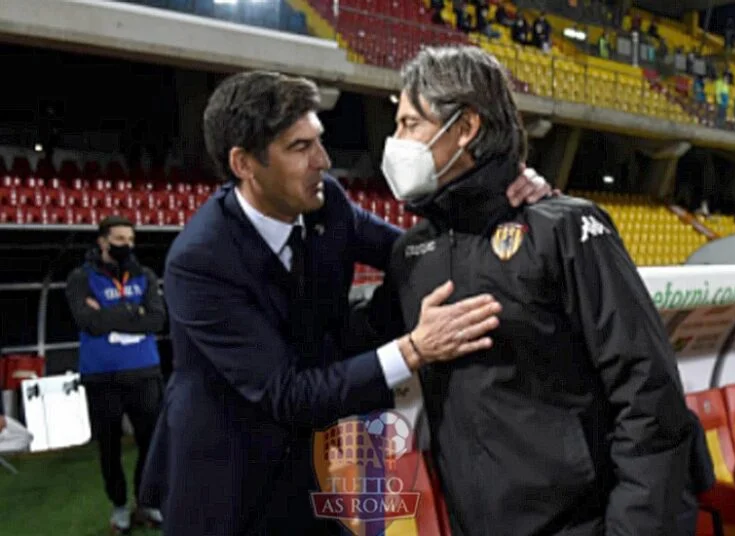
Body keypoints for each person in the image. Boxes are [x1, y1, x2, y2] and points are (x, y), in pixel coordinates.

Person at [138, 70, 552, 536]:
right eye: (300, 147)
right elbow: (287, 394)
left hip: (315, 461)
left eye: (319, 141)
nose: (323, 161)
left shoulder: (327, 203)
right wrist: (414, 349)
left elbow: (415, 256)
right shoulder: (200, 261)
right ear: (244, 164)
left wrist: (501, 195)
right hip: (225, 479)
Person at [380, 46, 693, 535]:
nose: (395, 141)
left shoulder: (566, 228)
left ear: (465, 128)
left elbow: (648, 393)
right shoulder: (412, 252)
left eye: (408, 123)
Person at [65, 215, 166, 534]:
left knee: (152, 444)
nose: (127, 246)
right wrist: (132, 313)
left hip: (145, 372)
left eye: (131, 240)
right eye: (120, 240)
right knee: (109, 447)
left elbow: (156, 320)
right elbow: (87, 321)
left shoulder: (145, 275)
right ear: (102, 241)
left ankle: (147, 502)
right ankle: (120, 506)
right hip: (102, 377)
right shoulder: (80, 278)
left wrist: (109, 314)